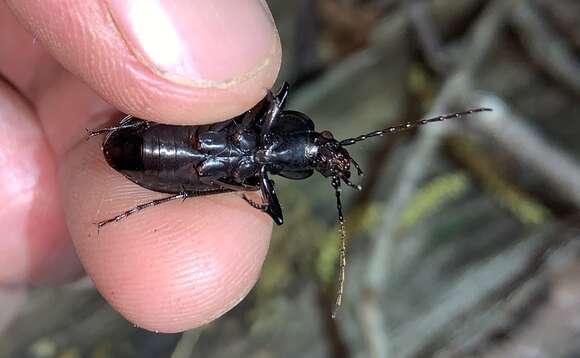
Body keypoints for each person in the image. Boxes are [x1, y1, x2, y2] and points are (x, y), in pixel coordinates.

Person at [0, 0, 281, 333]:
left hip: (177, 161)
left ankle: (148, 198)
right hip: (163, 138)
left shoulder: (255, 178)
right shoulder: (259, 147)